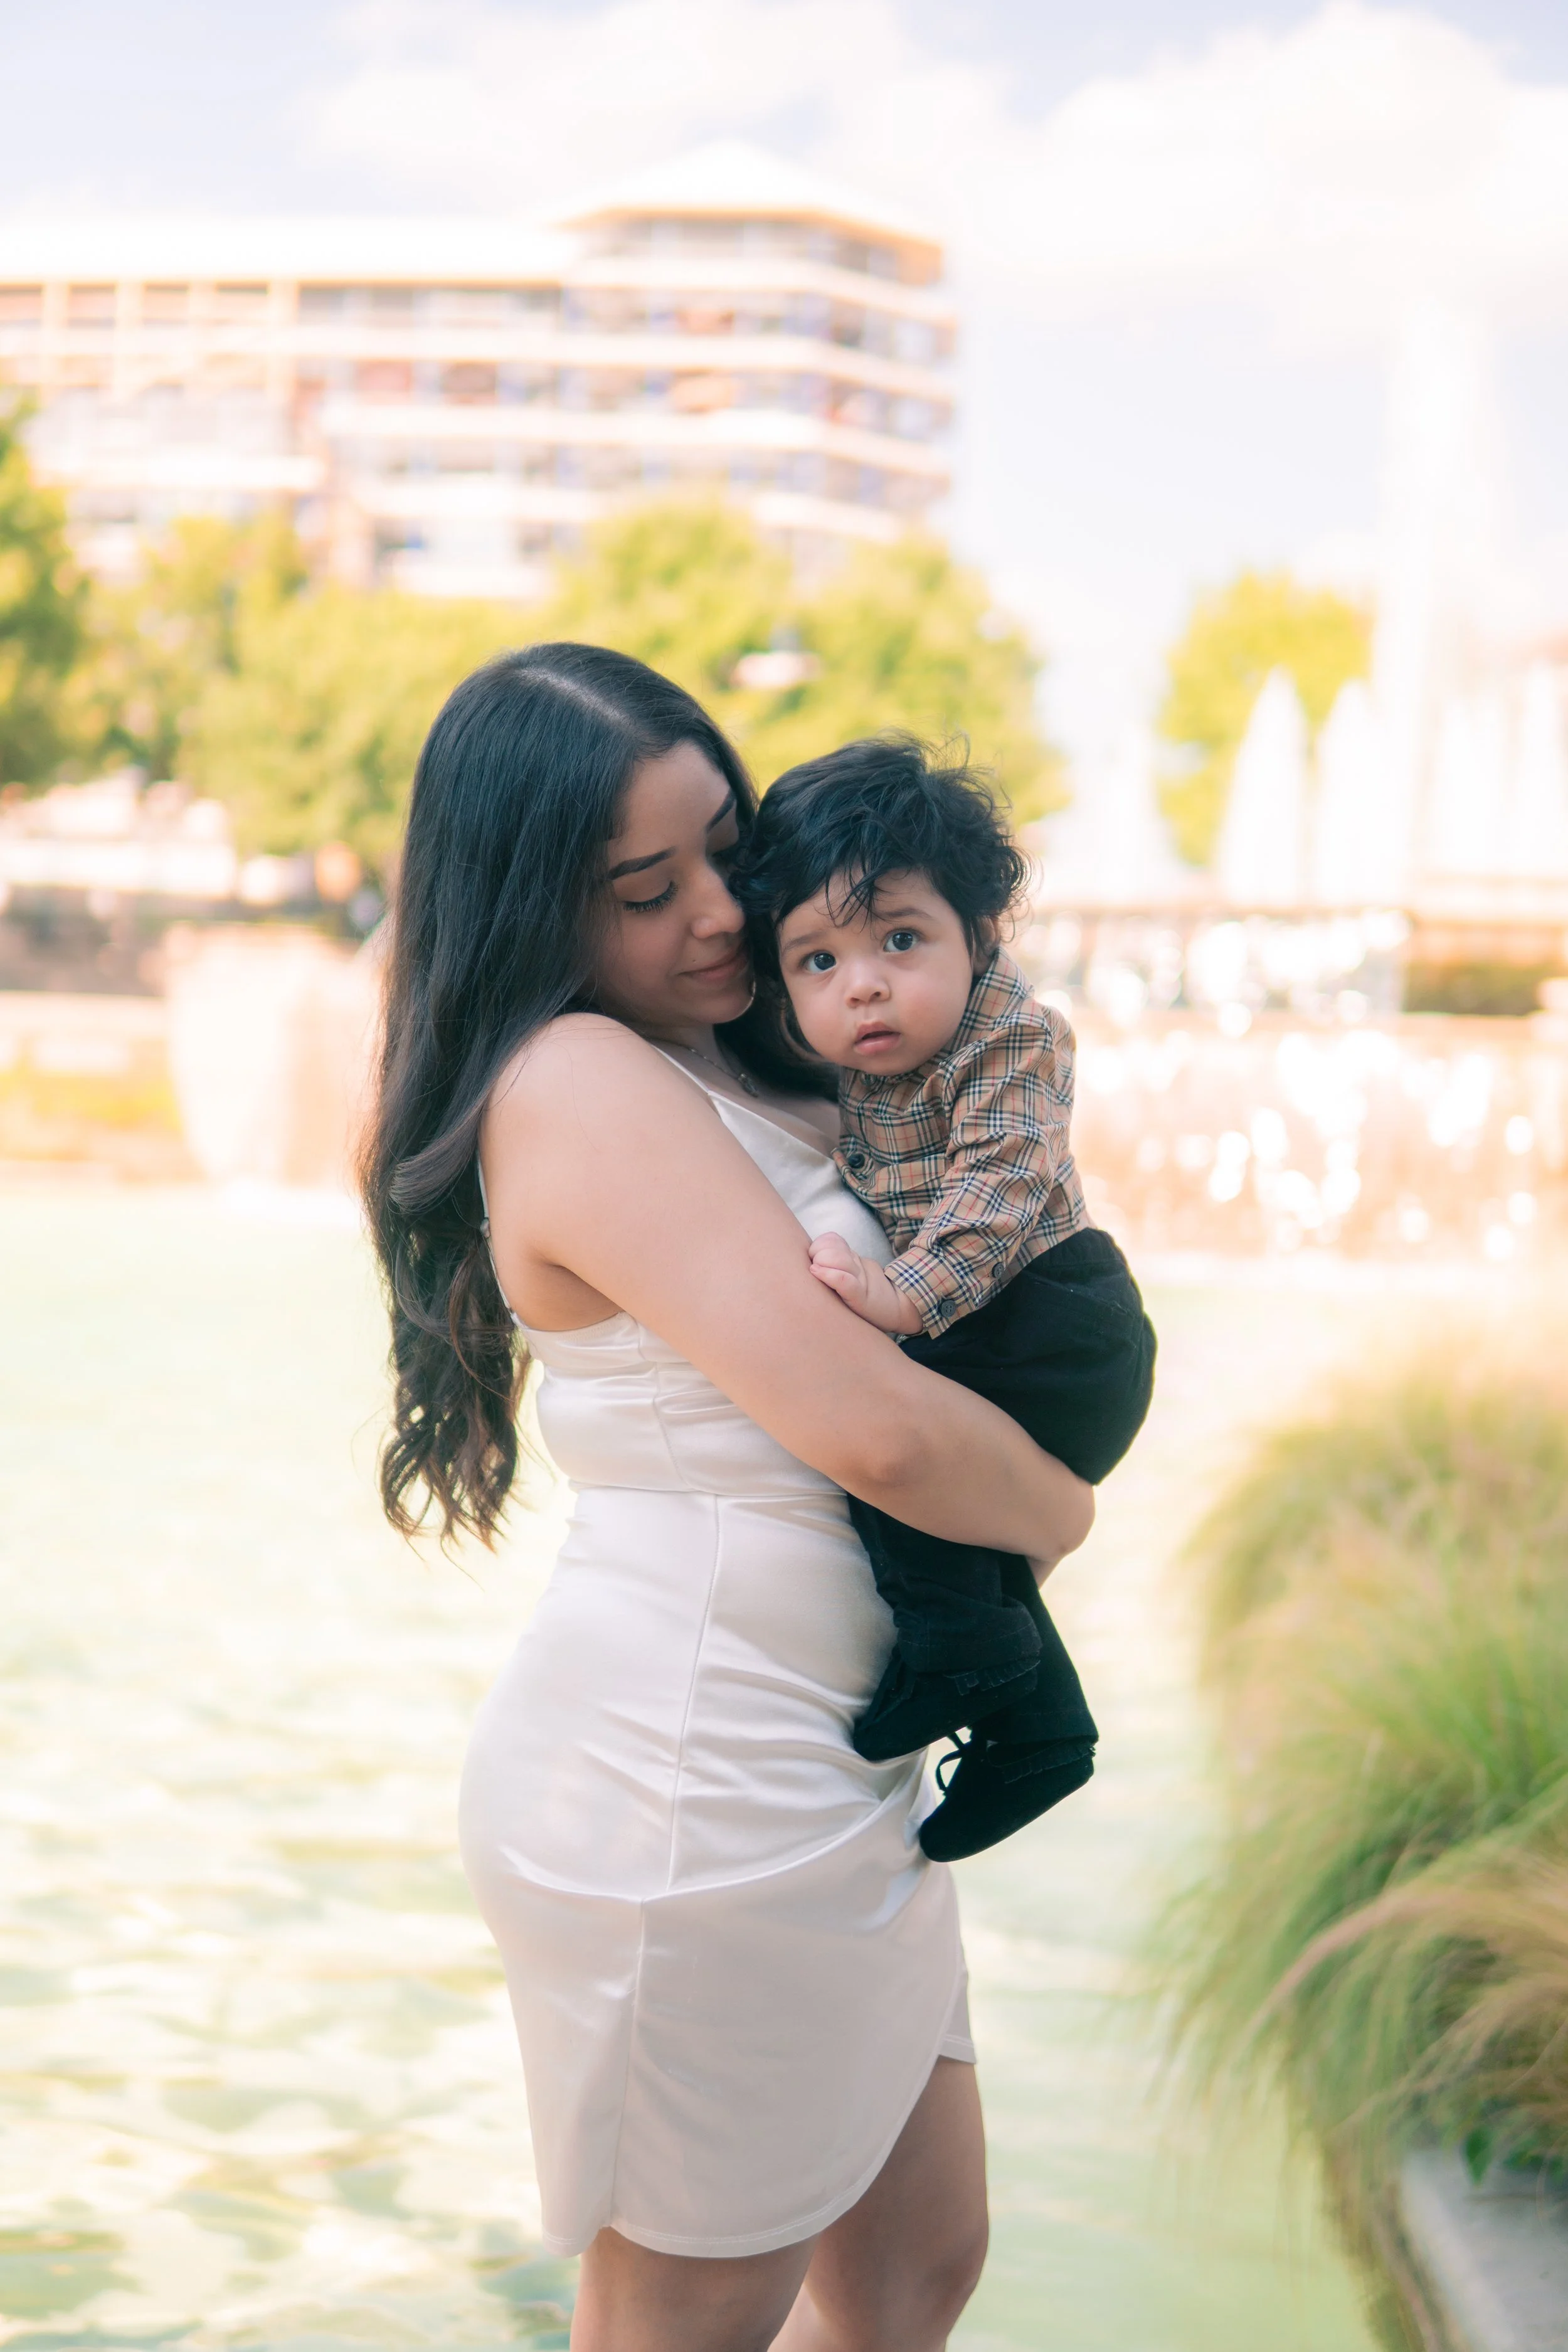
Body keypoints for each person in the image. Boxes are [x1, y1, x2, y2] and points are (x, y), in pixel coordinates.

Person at [361, 645, 1094, 2352]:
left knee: (913, 2268)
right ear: (529, 908)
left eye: (724, 847)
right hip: (691, 1791)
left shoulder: (733, 1049)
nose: (714, 911)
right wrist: (1055, 1515)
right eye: (644, 885)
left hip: (828, 1768)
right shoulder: (576, 1080)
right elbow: (879, 1435)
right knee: (684, 2319)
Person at [734, 737, 1156, 1864]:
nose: (862, 982)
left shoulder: (1011, 1036)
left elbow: (1005, 1185)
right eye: (817, 962)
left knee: (885, 1431)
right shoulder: (853, 1058)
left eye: (901, 939)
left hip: (1061, 1324)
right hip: (1000, 1324)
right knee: (904, 1464)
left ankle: (971, 1661)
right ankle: (1037, 1725)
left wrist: (899, 1294)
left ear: (980, 934)